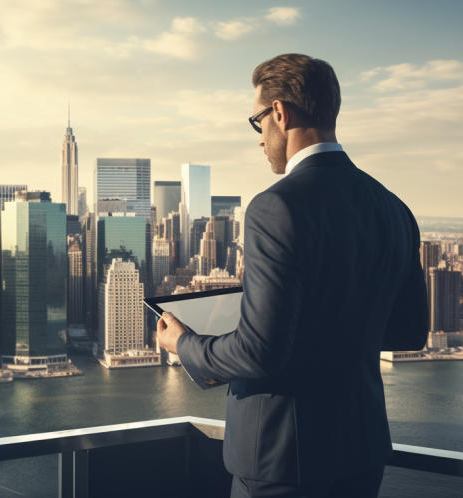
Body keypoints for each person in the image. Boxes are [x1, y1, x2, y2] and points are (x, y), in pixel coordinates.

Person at [156, 53, 429, 498]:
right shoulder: (393, 208)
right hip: (361, 455)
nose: (260, 139)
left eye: (257, 121)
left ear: (279, 113)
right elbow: (409, 331)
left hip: (282, 463)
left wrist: (182, 343)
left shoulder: (275, 206)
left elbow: (261, 353)